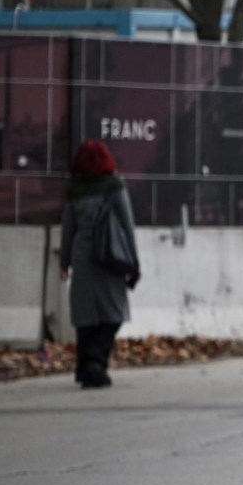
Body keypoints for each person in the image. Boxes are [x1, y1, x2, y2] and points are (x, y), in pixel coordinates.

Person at [60, 140, 140, 389]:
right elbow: (127, 225)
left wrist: (65, 262)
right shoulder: (114, 184)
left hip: (83, 257)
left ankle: (85, 369)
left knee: (86, 315)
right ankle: (95, 361)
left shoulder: (74, 188)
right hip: (110, 256)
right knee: (113, 314)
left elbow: (68, 229)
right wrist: (134, 263)